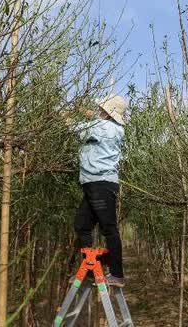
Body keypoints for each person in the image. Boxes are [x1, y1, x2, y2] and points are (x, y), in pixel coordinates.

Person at [68, 95, 127, 287]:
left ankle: (117, 274)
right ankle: (92, 270)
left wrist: (63, 116)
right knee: (82, 225)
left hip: (99, 184)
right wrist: (88, 114)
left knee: (108, 228)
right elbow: (97, 121)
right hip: (95, 184)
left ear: (107, 112)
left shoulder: (101, 127)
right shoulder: (114, 128)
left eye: (102, 108)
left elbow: (73, 128)